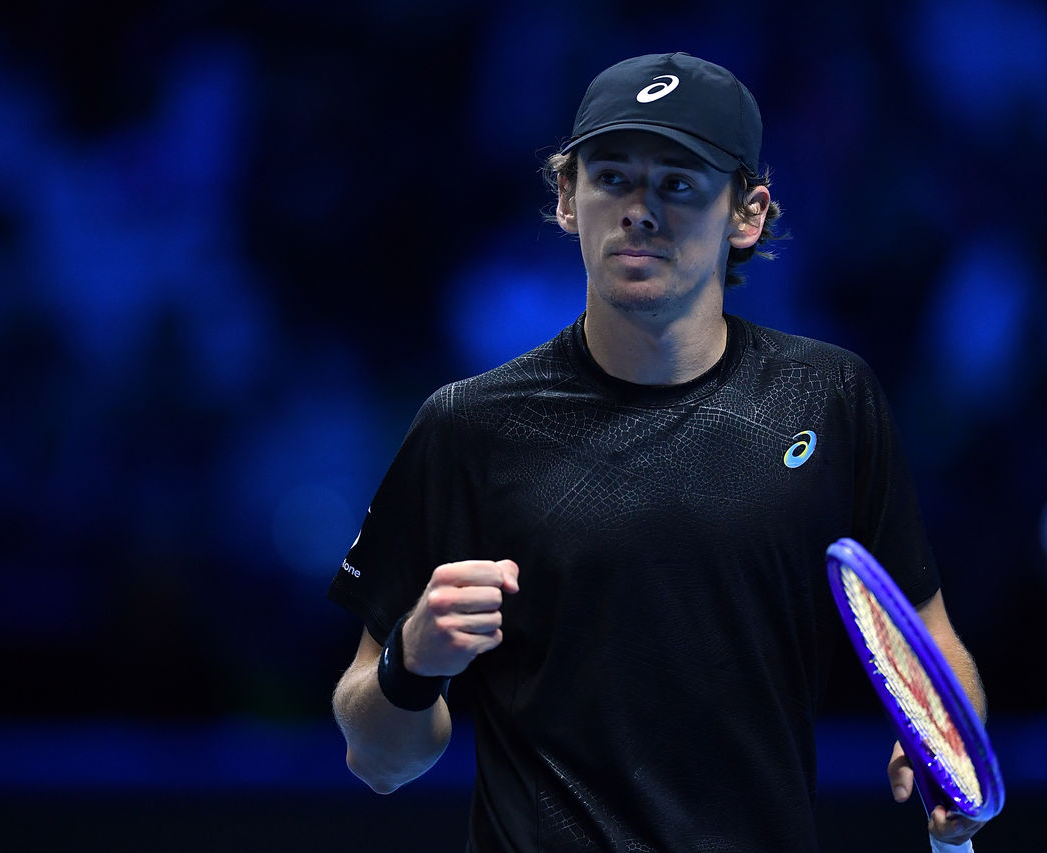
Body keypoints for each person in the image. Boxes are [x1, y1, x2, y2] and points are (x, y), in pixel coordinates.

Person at [328, 52, 989, 852]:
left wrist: (949, 748)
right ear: (567, 198)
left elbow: (927, 633)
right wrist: (410, 660)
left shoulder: (829, 398)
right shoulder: (468, 427)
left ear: (747, 212)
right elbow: (378, 758)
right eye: (611, 178)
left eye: (678, 182)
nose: (639, 209)